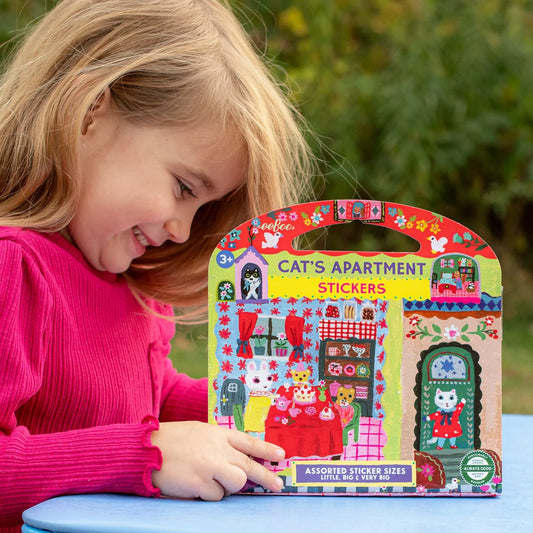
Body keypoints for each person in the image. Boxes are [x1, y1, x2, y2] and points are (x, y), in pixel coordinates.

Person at [0, 0, 315, 529]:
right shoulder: (15, 267)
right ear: (89, 110)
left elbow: (149, 398)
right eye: (184, 188)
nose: (183, 230)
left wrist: (257, 407)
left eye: (204, 208)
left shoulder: (130, 282)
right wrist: (144, 454)